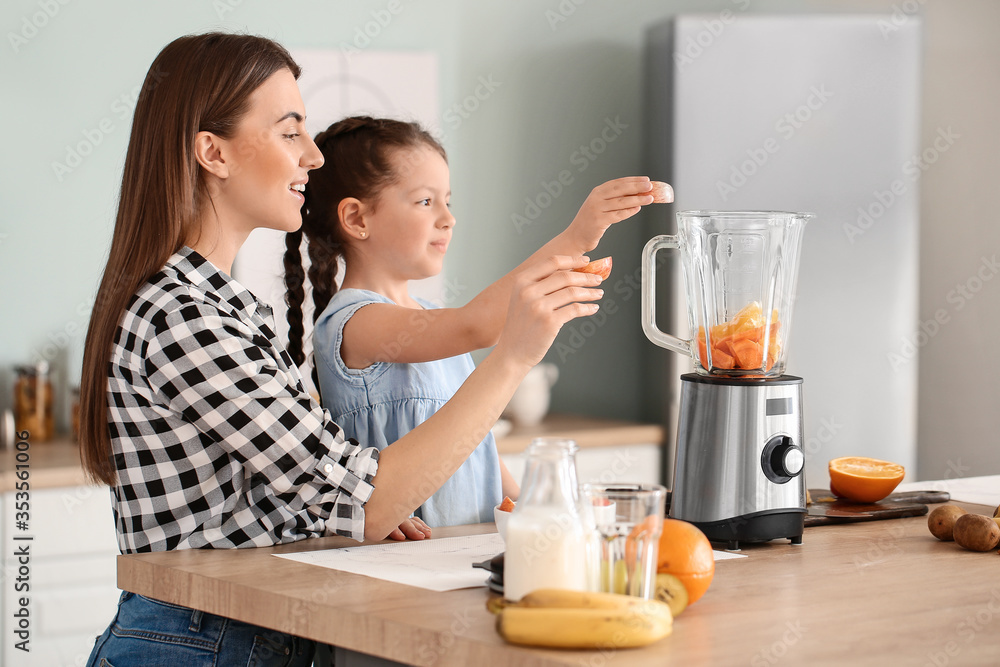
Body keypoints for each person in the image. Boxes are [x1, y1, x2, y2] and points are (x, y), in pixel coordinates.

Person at [79, 32, 607, 666]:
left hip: (234, 635)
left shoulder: (224, 307)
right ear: (212, 153)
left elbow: (304, 493)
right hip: (199, 644)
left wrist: (337, 519)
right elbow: (362, 495)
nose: (314, 156)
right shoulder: (183, 317)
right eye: (289, 132)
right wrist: (514, 359)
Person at [283, 116, 663, 529]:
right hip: (406, 561)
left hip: (463, 549)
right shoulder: (356, 321)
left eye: (448, 200)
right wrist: (577, 238)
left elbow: (473, 437)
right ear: (357, 219)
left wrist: (538, 507)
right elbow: (476, 326)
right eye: (426, 201)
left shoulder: (425, 315)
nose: (448, 218)